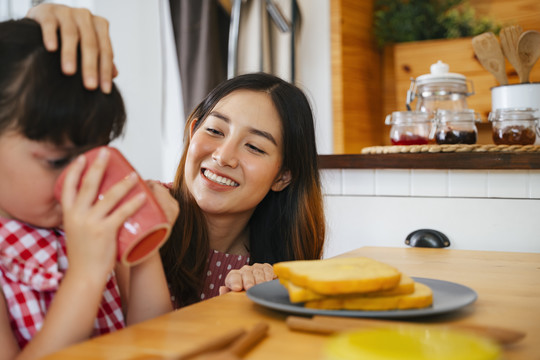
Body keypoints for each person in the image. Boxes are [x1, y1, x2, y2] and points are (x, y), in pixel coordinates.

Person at [25, 4, 326, 308]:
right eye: (215, 131)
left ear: (282, 176)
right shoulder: (138, 210)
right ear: (192, 131)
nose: (223, 157)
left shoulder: (275, 266)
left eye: (255, 147)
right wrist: (32, 34)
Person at [0, 18, 178, 359]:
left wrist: (142, 247)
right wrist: (86, 275)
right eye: (56, 161)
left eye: (95, 155)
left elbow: (154, 335)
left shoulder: (89, 225)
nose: (83, 179)